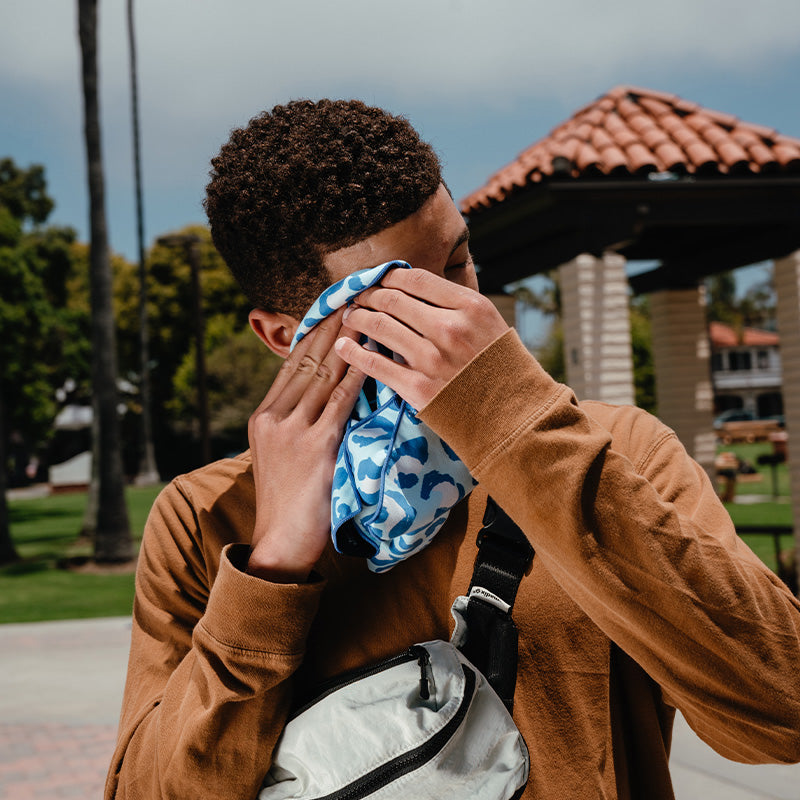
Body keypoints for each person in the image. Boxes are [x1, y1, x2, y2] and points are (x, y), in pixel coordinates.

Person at [105, 99, 800, 800]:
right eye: (402, 302)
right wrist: (274, 565)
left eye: (461, 262)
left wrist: (515, 426)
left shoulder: (619, 451)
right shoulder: (207, 516)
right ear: (289, 337)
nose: (466, 314)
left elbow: (782, 716)